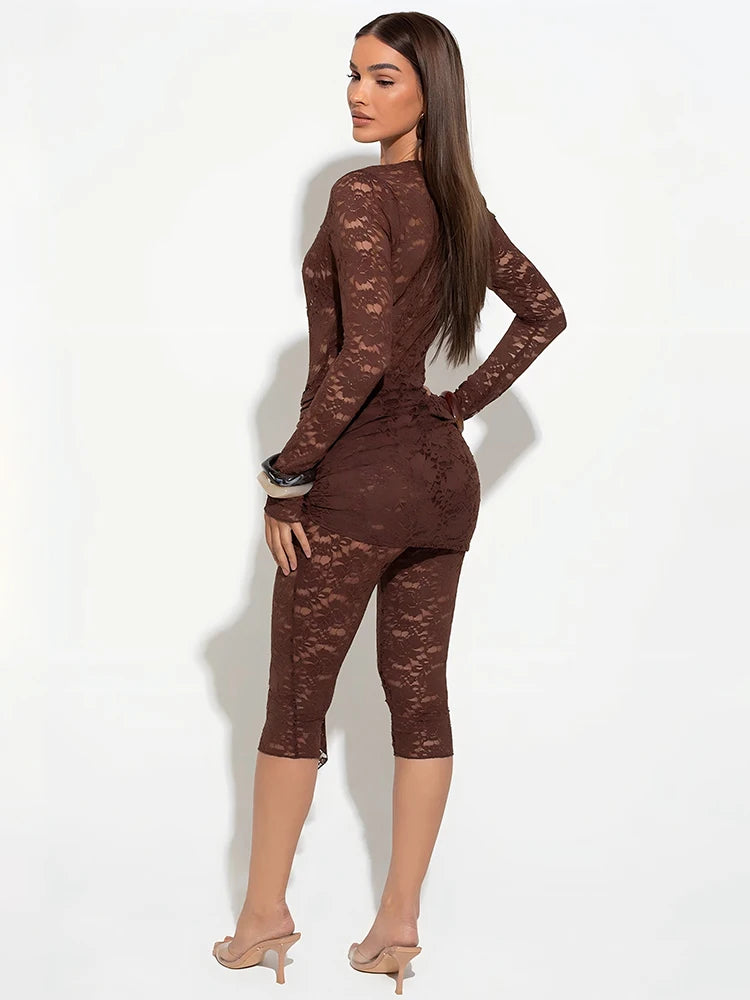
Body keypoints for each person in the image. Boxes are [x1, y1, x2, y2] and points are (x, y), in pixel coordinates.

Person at [213, 12, 566, 992]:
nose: (357, 95)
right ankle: (398, 925)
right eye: (353, 75)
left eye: (381, 78)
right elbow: (544, 313)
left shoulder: (361, 193)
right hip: (445, 484)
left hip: (361, 483)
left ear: (428, 92)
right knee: (419, 697)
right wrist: (456, 408)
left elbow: (362, 354)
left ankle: (263, 917)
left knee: (297, 702)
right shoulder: (460, 206)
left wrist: (287, 475)